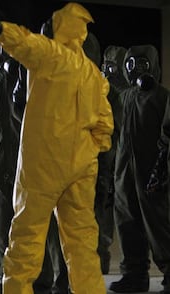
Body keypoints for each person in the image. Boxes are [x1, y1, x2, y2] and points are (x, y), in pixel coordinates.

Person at [0, 2, 114, 294]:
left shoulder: (51, 56)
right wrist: (88, 151)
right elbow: (105, 127)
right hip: (81, 168)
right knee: (82, 245)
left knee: (25, 240)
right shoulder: (93, 75)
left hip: (43, 164)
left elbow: (22, 42)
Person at [0, 42, 67, 294]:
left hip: (30, 166)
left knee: (35, 225)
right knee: (4, 225)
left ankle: (41, 280)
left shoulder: (36, 82)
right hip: (2, 168)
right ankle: (9, 278)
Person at [110, 44, 170, 294]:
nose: (136, 70)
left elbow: (168, 134)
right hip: (124, 175)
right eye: (131, 64)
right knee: (127, 223)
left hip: (152, 173)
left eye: (143, 64)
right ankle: (135, 275)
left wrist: (161, 167)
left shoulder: (162, 97)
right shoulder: (123, 97)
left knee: (159, 225)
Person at [96, 45, 128, 274]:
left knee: (125, 217)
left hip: (119, 163)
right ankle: (101, 258)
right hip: (107, 162)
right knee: (102, 213)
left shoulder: (124, 94)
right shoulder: (102, 91)